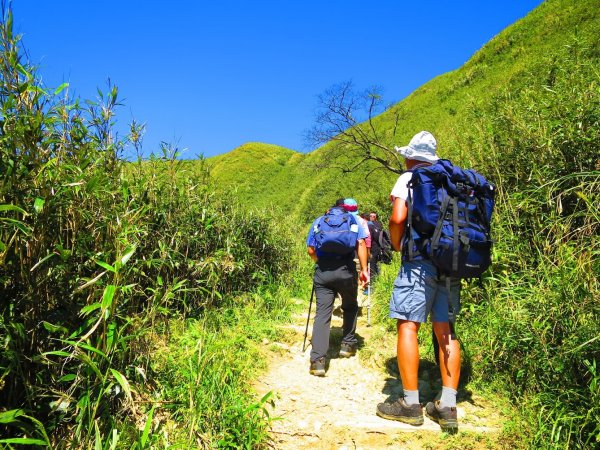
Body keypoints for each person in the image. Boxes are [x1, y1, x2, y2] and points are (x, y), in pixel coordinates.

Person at [376, 131, 461, 430]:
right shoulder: (452, 180)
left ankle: (410, 404)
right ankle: (447, 405)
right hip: (450, 262)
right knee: (445, 330)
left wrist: (398, 245)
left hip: (418, 262)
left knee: (408, 325)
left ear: (412, 157)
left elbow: (398, 218)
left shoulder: (410, 177)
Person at [306, 199, 370, 376]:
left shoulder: (319, 221)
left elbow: (311, 249)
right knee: (350, 306)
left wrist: (320, 262)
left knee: (322, 314)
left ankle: (317, 361)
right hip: (346, 270)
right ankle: (347, 345)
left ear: (329, 210)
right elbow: (362, 244)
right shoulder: (353, 220)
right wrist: (364, 270)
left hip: (323, 271)